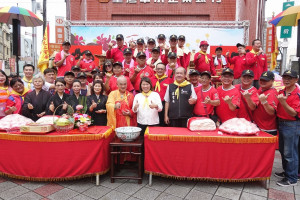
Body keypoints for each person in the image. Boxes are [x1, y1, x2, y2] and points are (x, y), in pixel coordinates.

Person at [274, 70, 300, 187]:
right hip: (281, 123)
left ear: (296, 80)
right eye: (285, 78)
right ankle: (287, 172)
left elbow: (294, 113)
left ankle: (292, 178)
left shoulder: (297, 94)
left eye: (290, 78)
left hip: (292, 125)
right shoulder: (282, 91)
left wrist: (283, 103)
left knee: (290, 153)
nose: (287, 80)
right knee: (283, 151)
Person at [252, 71, 278, 135]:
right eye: (261, 80)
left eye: (266, 80)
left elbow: (271, 112)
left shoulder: (272, 93)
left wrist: (264, 102)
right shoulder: (261, 89)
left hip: (267, 129)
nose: (263, 82)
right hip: (258, 126)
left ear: (272, 81)